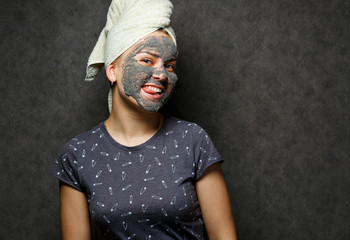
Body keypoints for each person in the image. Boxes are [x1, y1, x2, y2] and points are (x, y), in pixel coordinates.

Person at [51, 0, 236, 239]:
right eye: (147, 60)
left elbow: (224, 235)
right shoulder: (77, 154)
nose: (161, 74)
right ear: (112, 69)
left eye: (169, 65)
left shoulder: (192, 141)